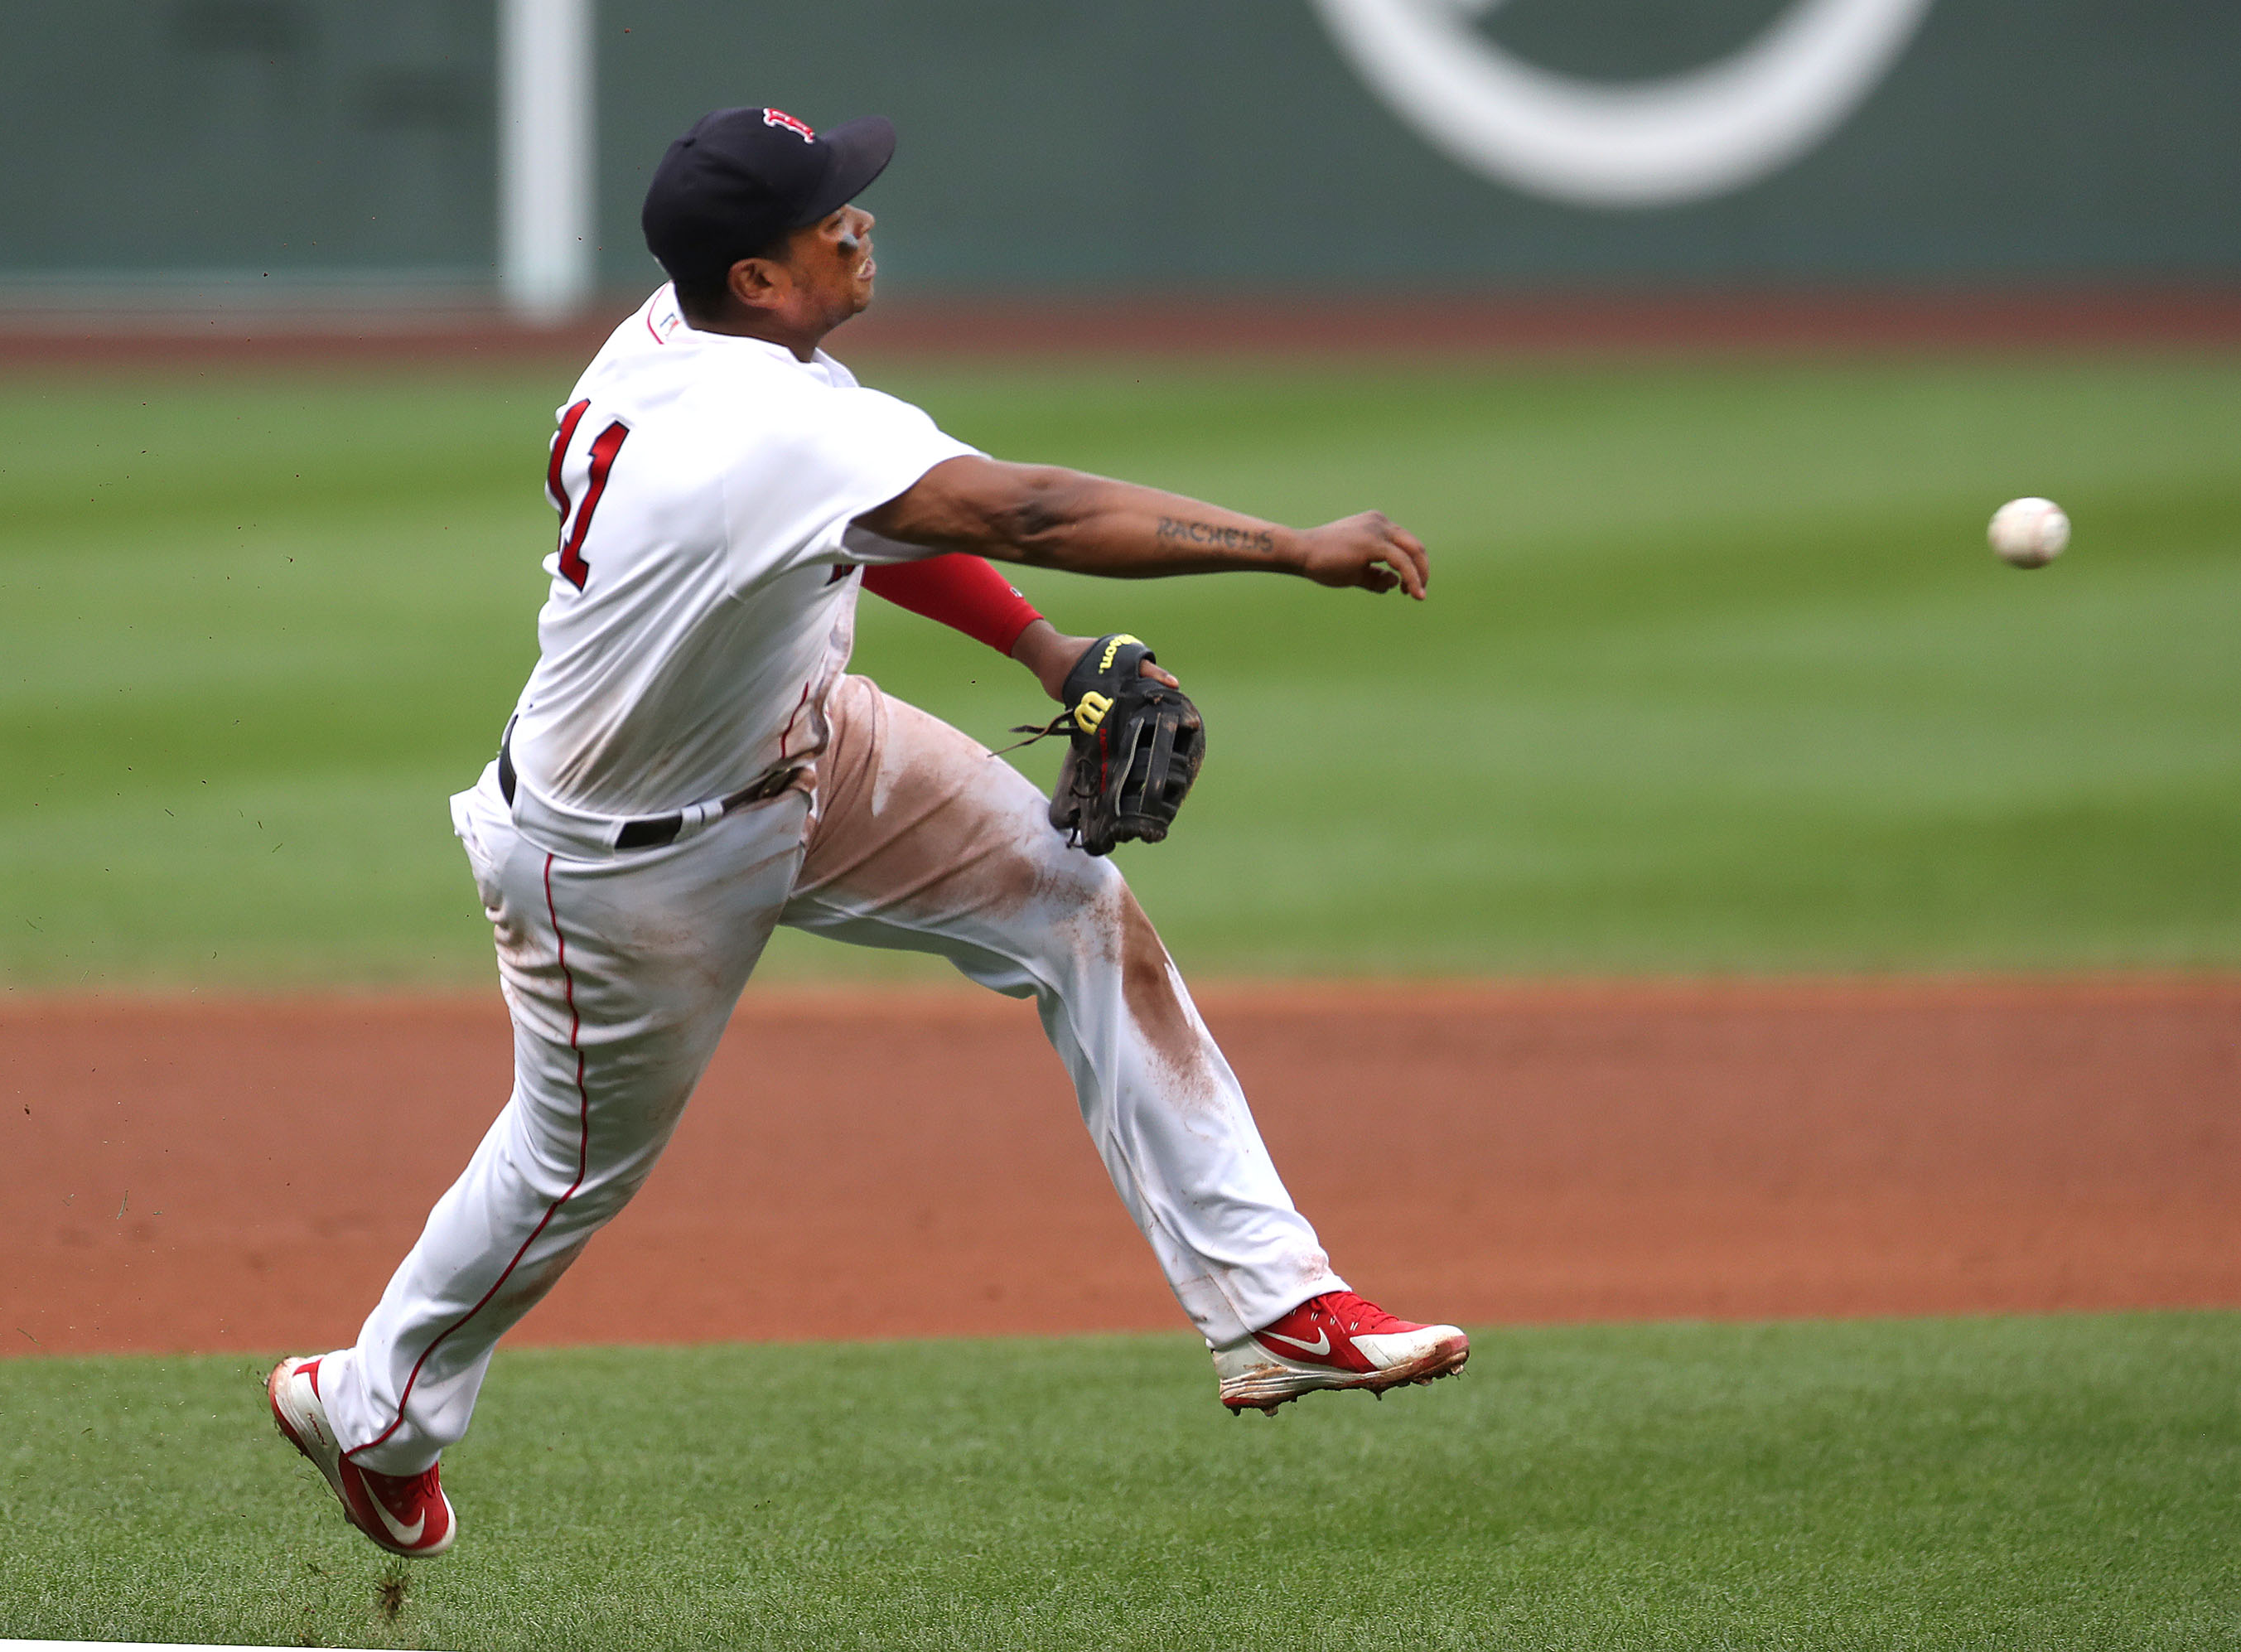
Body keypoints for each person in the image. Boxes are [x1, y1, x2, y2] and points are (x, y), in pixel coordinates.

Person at [268, 105, 1466, 1558]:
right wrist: (1288, 545)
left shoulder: (706, 341)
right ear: (759, 277)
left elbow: (868, 527)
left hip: (809, 748)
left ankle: (1273, 1305)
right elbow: (1019, 505)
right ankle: (376, 1405)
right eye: (830, 213)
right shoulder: (755, 421)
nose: (860, 220)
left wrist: (1041, 652)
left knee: (1072, 906)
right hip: (625, 869)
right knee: (569, 1169)